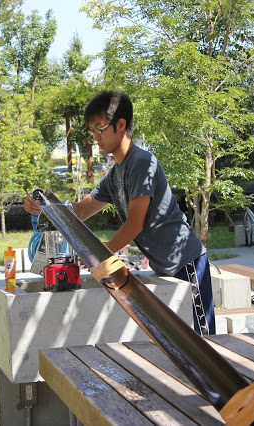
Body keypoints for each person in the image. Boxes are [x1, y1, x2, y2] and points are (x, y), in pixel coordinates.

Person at [25, 91, 215, 336]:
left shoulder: (142, 163)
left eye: (100, 129)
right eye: (92, 131)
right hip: (165, 266)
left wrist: (101, 255)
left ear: (121, 125)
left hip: (186, 262)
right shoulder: (116, 174)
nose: (95, 137)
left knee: (205, 338)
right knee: (180, 341)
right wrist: (44, 207)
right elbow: (81, 210)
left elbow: (135, 224)